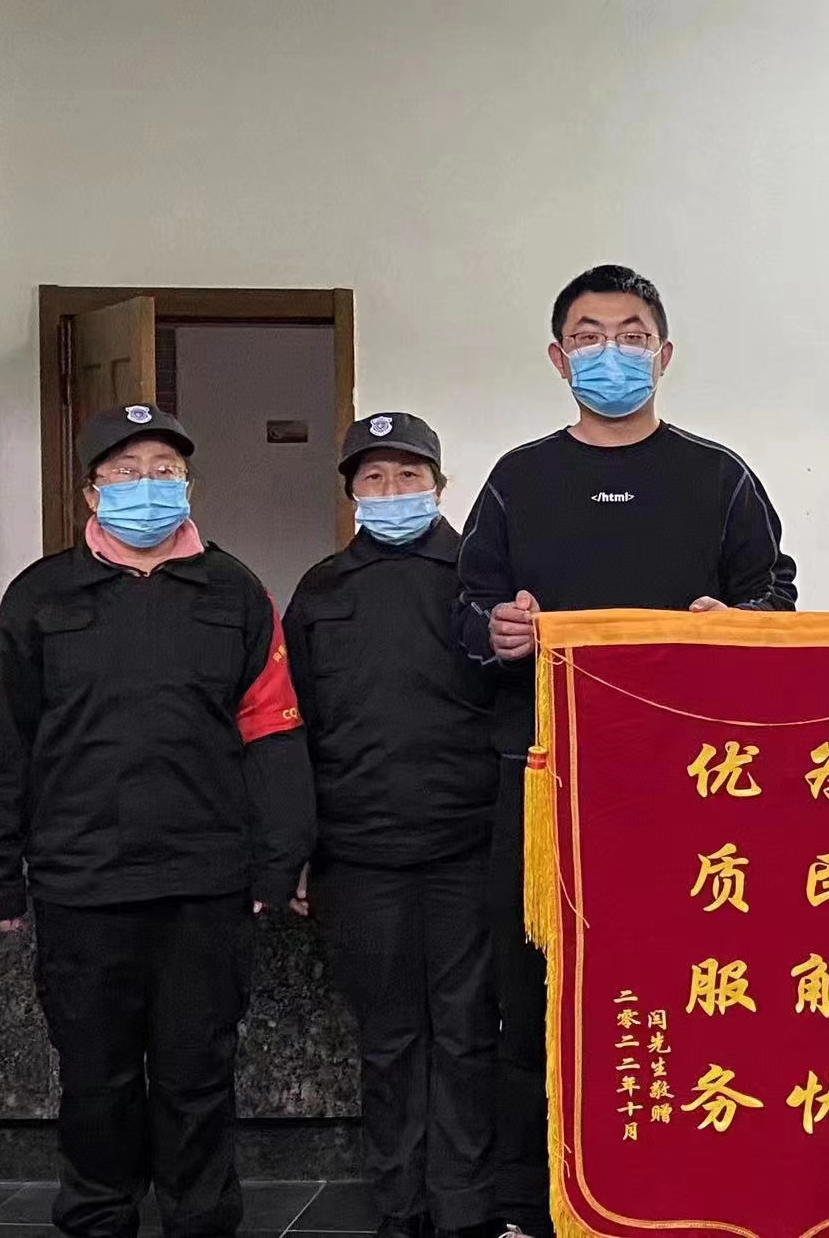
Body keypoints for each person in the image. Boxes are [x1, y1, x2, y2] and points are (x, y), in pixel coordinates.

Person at [454, 263, 798, 1237]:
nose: (612, 351)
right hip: (544, 787)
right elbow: (464, 609)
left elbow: (776, 596)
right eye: (590, 335)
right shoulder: (518, 479)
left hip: (689, 794)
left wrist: (739, 623)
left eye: (632, 334)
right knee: (535, 999)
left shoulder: (719, 477)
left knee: (691, 992)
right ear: (558, 358)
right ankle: (528, 1205)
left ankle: (686, 1191)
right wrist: (498, 631)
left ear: (665, 353)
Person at [0, 404, 314, 1238]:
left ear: (188, 484)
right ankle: (98, 1216)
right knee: (95, 1077)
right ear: (91, 491)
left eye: (163, 471)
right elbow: (1, 741)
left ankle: (200, 1220)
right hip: (82, 882)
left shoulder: (234, 590)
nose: (146, 486)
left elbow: (273, 733)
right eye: (125, 472)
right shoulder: (41, 594)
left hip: (205, 882)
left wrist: (279, 858)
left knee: (199, 1074)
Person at [285, 414, 500, 1238]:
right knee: (387, 1038)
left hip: (467, 848)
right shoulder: (321, 591)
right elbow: (295, 727)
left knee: (468, 1034)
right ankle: (400, 1204)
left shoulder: (484, 581)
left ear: (440, 486)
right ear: (350, 494)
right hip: (358, 854)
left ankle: (465, 1204)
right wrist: (295, 848)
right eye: (373, 478)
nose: (392, 491)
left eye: (409, 476)